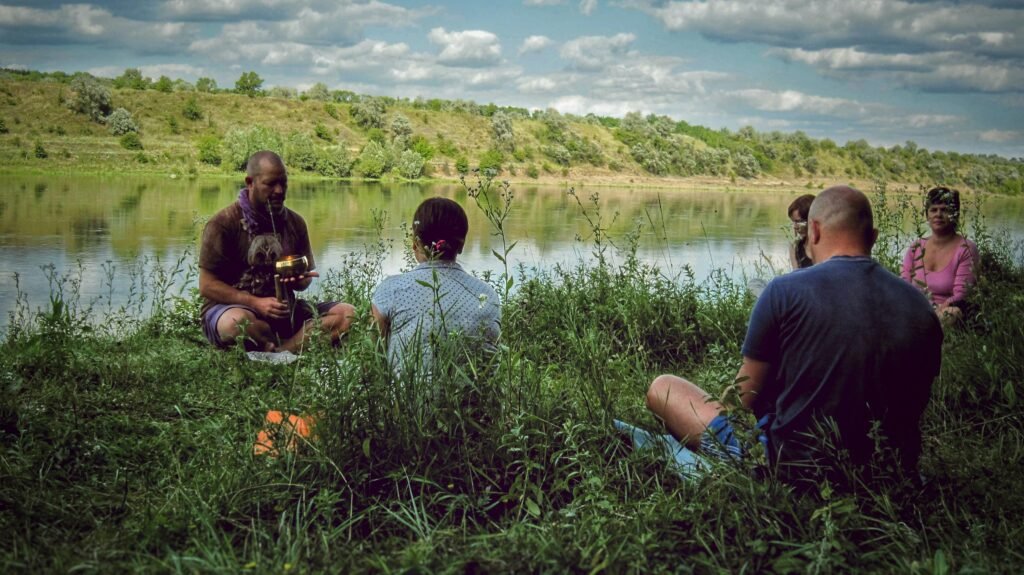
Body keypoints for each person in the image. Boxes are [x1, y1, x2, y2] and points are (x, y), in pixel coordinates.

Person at [646, 186, 943, 487]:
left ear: (813, 231)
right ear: (874, 236)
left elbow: (741, 400)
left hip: (795, 468)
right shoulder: (921, 307)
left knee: (664, 387)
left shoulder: (783, 292)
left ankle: (732, 457)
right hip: (888, 470)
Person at [199, 150, 354, 353]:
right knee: (235, 323)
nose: (279, 190)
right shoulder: (223, 223)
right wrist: (255, 302)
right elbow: (207, 285)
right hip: (232, 310)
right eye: (271, 184)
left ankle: (282, 350)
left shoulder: (296, 222)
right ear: (250, 182)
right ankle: (285, 342)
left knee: (347, 314)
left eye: (284, 183)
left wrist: (299, 279)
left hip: (284, 311)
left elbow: (303, 282)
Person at [371, 197, 501, 377]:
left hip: (409, 404)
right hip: (476, 404)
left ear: (415, 243)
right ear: (461, 245)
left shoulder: (391, 290)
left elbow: (374, 356)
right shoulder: (487, 296)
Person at [901, 187, 979, 328]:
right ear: (927, 215)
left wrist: (934, 312)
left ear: (955, 214)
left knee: (952, 313)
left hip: (944, 312)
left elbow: (961, 294)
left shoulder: (966, 249)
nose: (938, 214)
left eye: (945, 209)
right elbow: (903, 283)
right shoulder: (916, 247)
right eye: (933, 210)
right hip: (914, 308)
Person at [788, 194, 815, 270]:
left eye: (799, 222)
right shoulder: (795, 247)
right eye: (793, 222)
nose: (795, 227)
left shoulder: (828, 246)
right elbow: (796, 276)